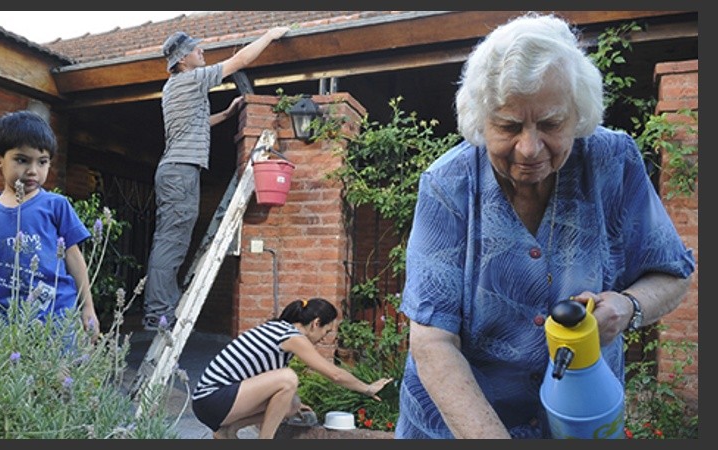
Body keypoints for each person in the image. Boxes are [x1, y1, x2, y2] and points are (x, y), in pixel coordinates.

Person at [394, 12, 695, 439]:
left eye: (551, 124)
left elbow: (672, 273)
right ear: (481, 119)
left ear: (577, 114)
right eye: (508, 126)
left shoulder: (612, 162)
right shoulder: (448, 185)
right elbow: (432, 342)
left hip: (577, 421)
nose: (530, 148)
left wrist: (627, 306)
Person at [143, 25, 291, 331]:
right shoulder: (191, 78)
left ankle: (162, 306)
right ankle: (158, 312)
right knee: (172, 241)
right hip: (180, 171)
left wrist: (225, 114)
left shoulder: (175, 87)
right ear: (182, 60)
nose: (202, 51)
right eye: (195, 49)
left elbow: (194, 124)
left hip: (177, 170)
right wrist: (270, 35)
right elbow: (240, 61)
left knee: (172, 239)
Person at [0, 110, 99, 339]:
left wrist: (87, 307)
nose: (33, 171)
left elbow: (74, 258)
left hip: (54, 319)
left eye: (42, 162)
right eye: (22, 160)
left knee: (58, 363)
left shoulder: (56, 206)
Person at [192, 297, 394, 439]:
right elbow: (335, 374)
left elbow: (264, 380)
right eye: (326, 331)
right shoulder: (291, 336)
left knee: (293, 404)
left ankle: (227, 430)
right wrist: (368, 388)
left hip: (216, 401)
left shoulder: (280, 329)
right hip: (211, 399)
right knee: (288, 378)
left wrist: (293, 403)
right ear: (316, 323)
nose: (325, 338)